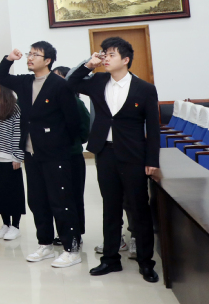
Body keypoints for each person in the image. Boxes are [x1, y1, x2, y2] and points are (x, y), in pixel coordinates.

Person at [67, 37, 160, 283]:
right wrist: (89, 64)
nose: (106, 58)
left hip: (133, 155)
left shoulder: (144, 88)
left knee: (139, 209)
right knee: (110, 207)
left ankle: (146, 262)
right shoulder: (98, 81)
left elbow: (153, 128)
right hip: (105, 152)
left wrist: (152, 160)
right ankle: (110, 259)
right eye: (104, 54)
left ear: (125, 59)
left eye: (111, 54)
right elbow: (70, 83)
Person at [0, 42, 82, 268]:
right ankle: (45, 244)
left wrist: (61, 144)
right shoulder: (25, 82)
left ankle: (72, 249)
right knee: (37, 201)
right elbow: (1, 77)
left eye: (36, 54)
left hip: (55, 154)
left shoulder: (59, 85)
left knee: (60, 201)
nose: (30, 58)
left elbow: (73, 121)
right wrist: (9, 59)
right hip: (31, 154)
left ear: (48, 60)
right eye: (29, 54)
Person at [52, 66, 91, 247]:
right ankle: (64, 232)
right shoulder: (50, 102)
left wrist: (74, 142)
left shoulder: (76, 103)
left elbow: (85, 130)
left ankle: (77, 233)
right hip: (54, 157)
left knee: (74, 196)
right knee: (59, 197)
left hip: (73, 155)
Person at [0, 77, 25, 242]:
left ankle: (15, 226)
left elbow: (18, 133)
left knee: (13, 193)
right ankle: (5, 224)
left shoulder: (14, 107)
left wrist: (17, 156)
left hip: (9, 157)